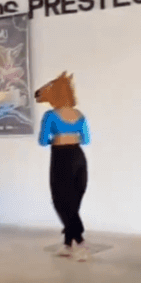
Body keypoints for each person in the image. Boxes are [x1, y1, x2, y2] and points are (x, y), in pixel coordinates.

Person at [36, 72, 91, 262]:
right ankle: (67, 245)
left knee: (61, 201)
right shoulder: (80, 115)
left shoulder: (50, 116)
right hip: (79, 157)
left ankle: (81, 243)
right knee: (73, 202)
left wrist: (56, 137)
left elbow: (43, 141)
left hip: (61, 158)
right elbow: (86, 139)